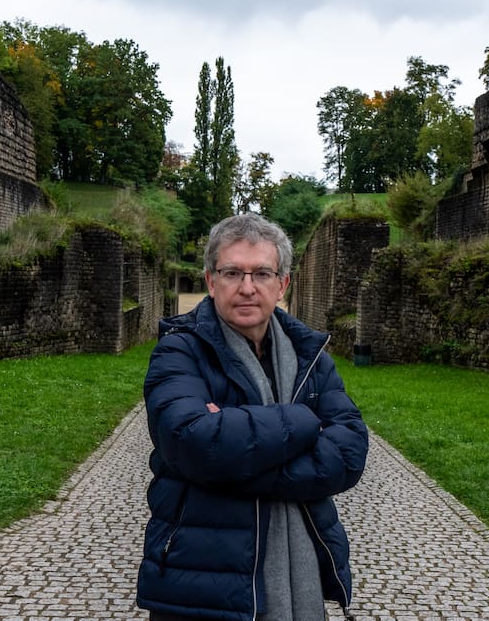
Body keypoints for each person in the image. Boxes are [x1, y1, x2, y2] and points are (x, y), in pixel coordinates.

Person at [136, 213, 369, 621]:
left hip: (300, 583)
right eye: (232, 273)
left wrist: (234, 456)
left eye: (262, 273)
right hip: (201, 579)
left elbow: (348, 454)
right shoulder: (179, 352)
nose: (247, 288)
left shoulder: (310, 356)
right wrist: (304, 422)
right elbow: (197, 444)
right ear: (211, 281)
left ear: (282, 284)